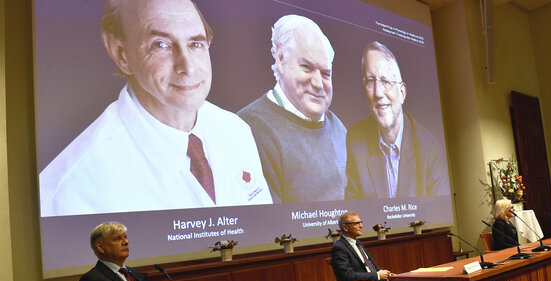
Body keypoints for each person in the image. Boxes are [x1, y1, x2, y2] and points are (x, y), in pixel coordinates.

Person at [39, 0, 272, 216]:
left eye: (195, 43)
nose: (188, 67)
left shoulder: (236, 131)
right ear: (121, 54)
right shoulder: (70, 189)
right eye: (161, 45)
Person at [237, 15, 347, 203]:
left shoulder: (338, 127)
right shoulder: (247, 128)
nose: (319, 84)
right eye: (307, 67)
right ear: (280, 58)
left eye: (326, 73)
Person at [345, 41, 448, 199]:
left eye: (385, 82)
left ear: (402, 93)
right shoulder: (355, 140)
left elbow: (436, 211)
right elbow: (352, 208)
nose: (378, 93)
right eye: (370, 82)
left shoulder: (428, 147)